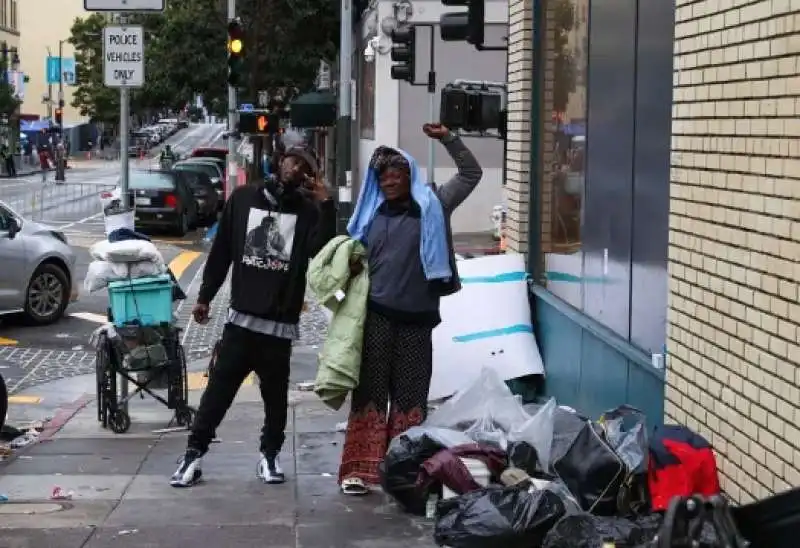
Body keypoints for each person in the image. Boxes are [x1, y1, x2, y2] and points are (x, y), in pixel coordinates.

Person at [170, 147, 337, 488]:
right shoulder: (244, 199)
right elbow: (222, 253)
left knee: (275, 400)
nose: (296, 169)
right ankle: (193, 454)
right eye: (292, 161)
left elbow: (321, 252)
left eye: (305, 167)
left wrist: (326, 204)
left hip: (279, 328)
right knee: (217, 393)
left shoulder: (306, 211)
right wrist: (204, 297)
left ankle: (270, 455)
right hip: (241, 324)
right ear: (279, 162)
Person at [338, 123, 483, 495]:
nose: (388, 181)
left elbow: (471, 174)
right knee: (370, 394)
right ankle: (360, 471)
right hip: (377, 317)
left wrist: (449, 139)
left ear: (410, 176)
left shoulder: (433, 204)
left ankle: (402, 474)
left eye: (396, 174)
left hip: (417, 321)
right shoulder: (371, 214)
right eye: (383, 176)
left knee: (410, 397)